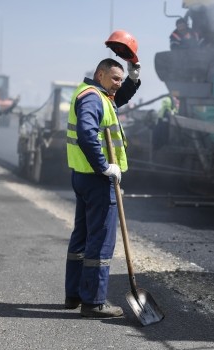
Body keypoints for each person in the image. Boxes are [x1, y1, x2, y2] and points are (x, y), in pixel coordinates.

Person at [65, 58, 141, 318]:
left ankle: (74, 294)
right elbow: (87, 133)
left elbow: (120, 98)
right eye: (115, 78)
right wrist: (104, 166)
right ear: (100, 75)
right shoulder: (93, 98)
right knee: (101, 241)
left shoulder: (98, 94)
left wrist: (133, 79)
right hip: (97, 180)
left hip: (83, 177)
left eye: (121, 80)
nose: (118, 84)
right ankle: (95, 302)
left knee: (83, 237)